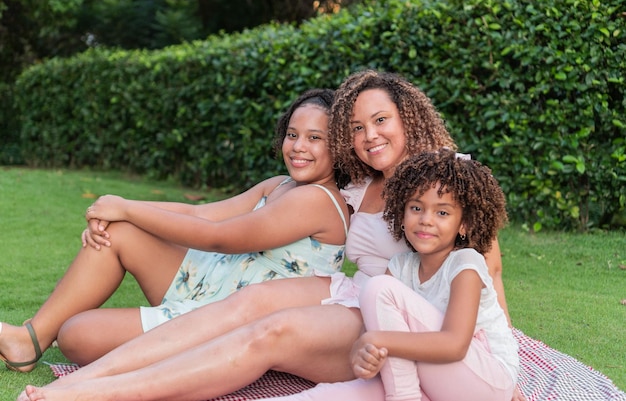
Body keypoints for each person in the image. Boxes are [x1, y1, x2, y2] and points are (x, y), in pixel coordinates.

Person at [17, 70, 519, 401]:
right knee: (250, 303)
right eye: (359, 127)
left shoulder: (446, 178)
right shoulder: (357, 181)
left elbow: (485, 267)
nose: (370, 136)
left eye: (381, 121)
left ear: (407, 118)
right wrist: (127, 213)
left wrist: (504, 349)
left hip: (412, 310)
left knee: (270, 331)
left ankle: (96, 392)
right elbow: (215, 214)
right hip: (361, 292)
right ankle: (87, 377)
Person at [0, 88, 349, 370]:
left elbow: (219, 237)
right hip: (207, 283)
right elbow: (201, 213)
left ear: (338, 147)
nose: (299, 146)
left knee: (76, 336)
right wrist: (116, 210)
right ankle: (29, 339)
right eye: (292, 134)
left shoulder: (318, 200)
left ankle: (176, 354)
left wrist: (128, 208)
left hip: (227, 319)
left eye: (314, 137)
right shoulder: (280, 184)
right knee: (119, 231)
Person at [351, 149, 518, 401]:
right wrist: (363, 353)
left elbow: (454, 345)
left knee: (378, 288)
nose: (426, 220)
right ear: (401, 214)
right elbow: (380, 334)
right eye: (416, 208)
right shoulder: (399, 266)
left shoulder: (465, 263)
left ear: (464, 224)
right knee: (343, 393)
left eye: (442, 212)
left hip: (486, 380)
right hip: (432, 375)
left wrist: (375, 339)